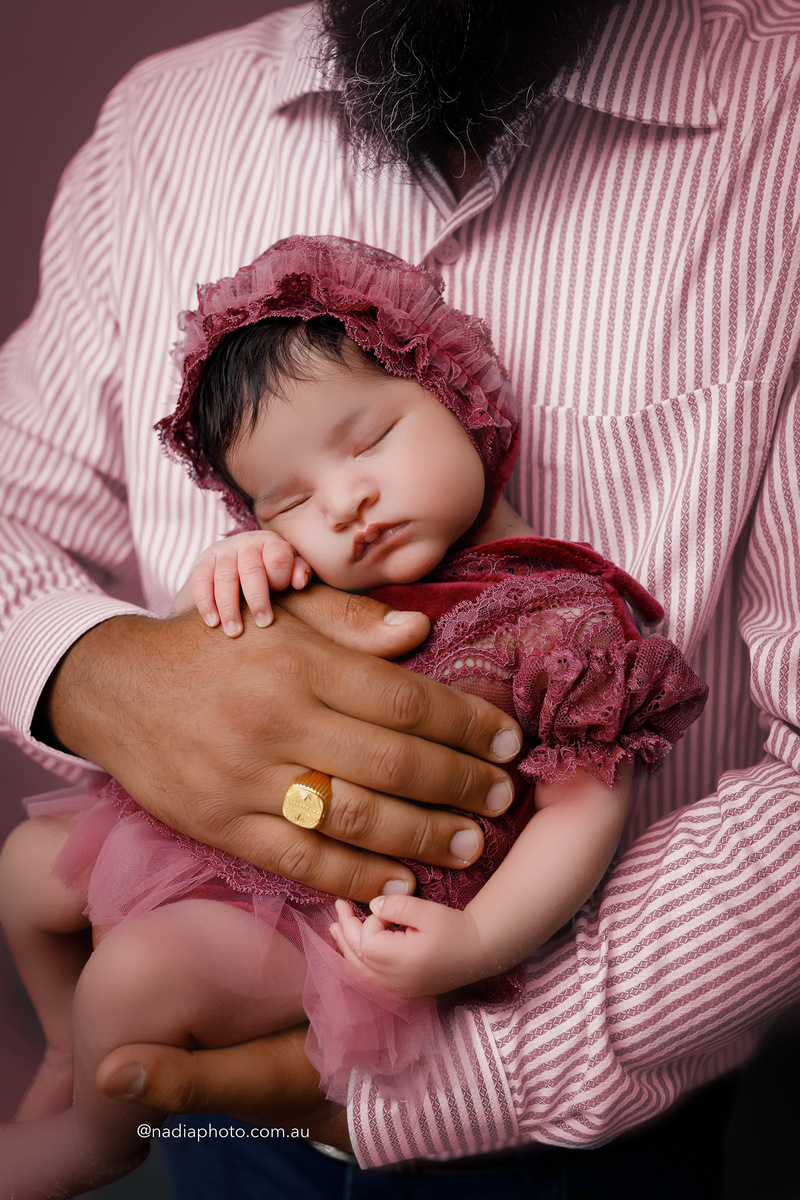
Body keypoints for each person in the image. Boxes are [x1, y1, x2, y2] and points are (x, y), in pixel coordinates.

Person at [0, 0, 799, 1195]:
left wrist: (474, 961)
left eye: (372, 440)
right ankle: (74, 1060)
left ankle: (90, 1135)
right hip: (227, 925)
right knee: (26, 876)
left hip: (529, 1071)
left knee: (134, 982)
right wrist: (111, 663)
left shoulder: (560, 624)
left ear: (463, 400)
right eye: (287, 504)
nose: (347, 509)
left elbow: (585, 804)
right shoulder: (158, 128)